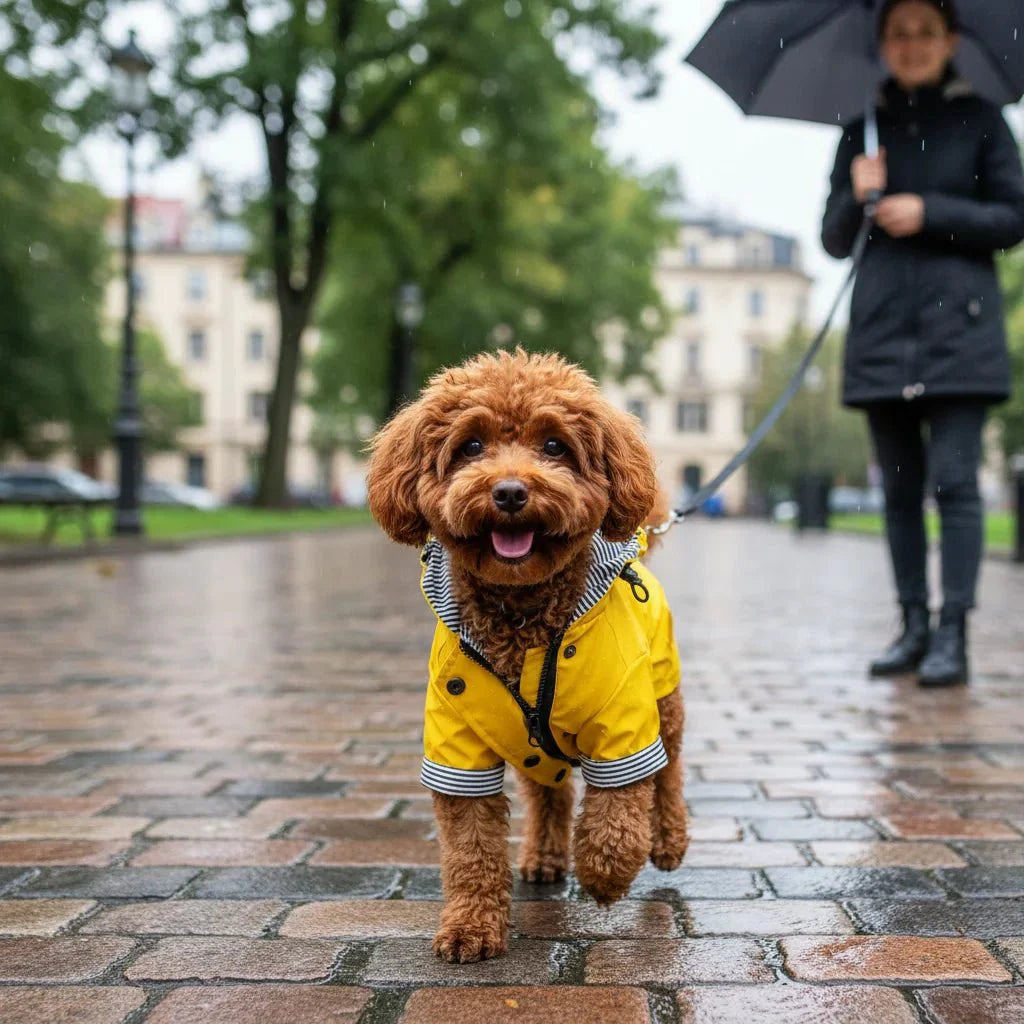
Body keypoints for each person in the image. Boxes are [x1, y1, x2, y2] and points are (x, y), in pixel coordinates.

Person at [822, 0, 1024, 686]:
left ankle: (952, 634)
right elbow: (832, 237)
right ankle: (911, 625)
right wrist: (859, 194)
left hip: (959, 333)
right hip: (881, 333)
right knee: (899, 491)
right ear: (882, 43)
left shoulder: (983, 121)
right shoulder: (861, 132)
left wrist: (929, 211)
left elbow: (1013, 216)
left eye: (924, 32)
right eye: (898, 33)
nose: (911, 45)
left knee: (957, 483)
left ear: (951, 40)